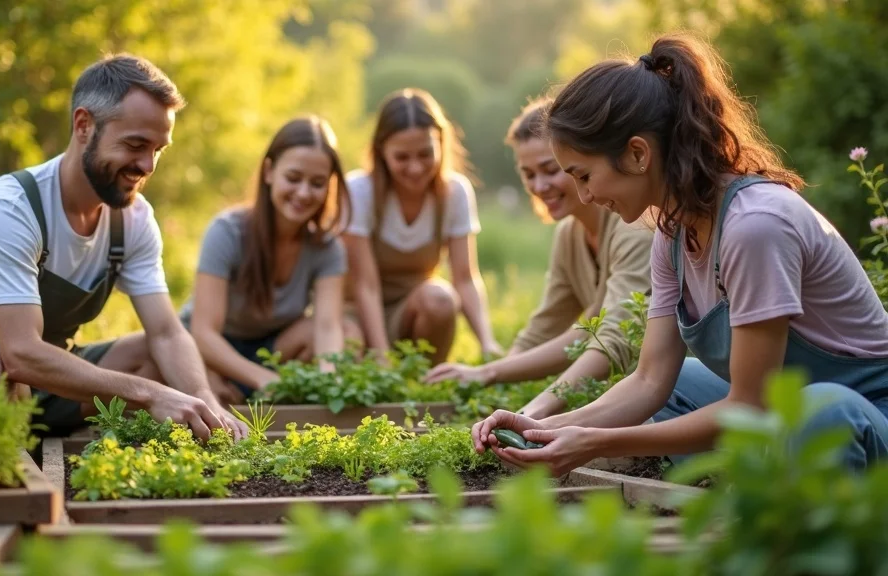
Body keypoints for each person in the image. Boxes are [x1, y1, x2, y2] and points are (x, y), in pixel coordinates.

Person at [473, 32, 888, 474]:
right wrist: (542, 427)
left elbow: (749, 404)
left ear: (637, 154)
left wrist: (595, 443)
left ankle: (788, 503)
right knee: (680, 383)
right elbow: (650, 379)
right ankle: (752, 481)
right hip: (783, 411)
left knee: (821, 410)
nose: (584, 195)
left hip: (864, 413)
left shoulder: (755, 227)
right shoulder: (671, 235)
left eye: (584, 176)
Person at [0, 54, 247, 441]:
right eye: (135, 144)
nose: (148, 165)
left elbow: (166, 332)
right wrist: (151, 395)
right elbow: (20, 354)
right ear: (84, 125)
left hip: (51, 378)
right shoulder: (12, 208)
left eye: (158, 149)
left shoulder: (133, 219)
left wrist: (203, 400)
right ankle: (15, 470)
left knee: (159, 355)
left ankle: (81, 446)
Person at [424, 98, 654, 418]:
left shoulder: (636, 226)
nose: (539, 186)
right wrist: (496, 383)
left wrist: (510, 391)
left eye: (550, 170)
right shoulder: (570, 234)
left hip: (650, 390)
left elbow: (614, 337)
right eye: (528, 174)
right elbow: (546, 326)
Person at [180, 116, 359, 404]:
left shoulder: (328, 249)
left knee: (349, 333)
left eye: (317, 183)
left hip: (272, 349)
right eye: (293, 178)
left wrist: (330, 382)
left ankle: (245, 394)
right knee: (197, 377)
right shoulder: (227, 232)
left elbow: (327, 327)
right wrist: (263, 379)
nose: (303, 193)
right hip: (210, 350)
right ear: (269, 172)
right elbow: (203, 333)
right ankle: (237, 390)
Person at [344, 88, 502, 365]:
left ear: (441, 143)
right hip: (357, 313)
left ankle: (426, 380)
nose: (415, 168)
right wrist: (381, 356)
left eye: (425, 154)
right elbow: (365, 284)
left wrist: (487, 343)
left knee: (440, 299)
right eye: (402, 157)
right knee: (349, 347)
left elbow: (464, 277)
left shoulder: (455, 192)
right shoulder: (360, 190)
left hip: (411, 313)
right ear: (381, 152)